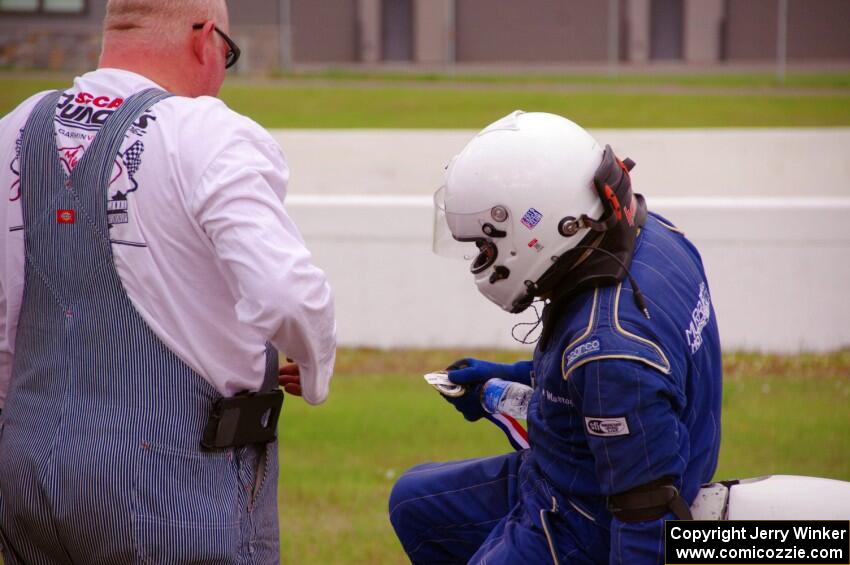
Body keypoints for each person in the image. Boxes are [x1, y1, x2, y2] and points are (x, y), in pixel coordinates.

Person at [0, 0, 335, 562]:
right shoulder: (204, 133)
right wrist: (315, 362)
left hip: (26, 471)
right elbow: (288, 295)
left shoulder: (15, 126)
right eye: (228, 54)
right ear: (206, 38)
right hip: (173, 487)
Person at [389, 111, 722, 564]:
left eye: (485, 247)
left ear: (535, 232)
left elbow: (645, 515)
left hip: (581, 519)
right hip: (572, 473)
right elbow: (603, 392)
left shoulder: (607, 352)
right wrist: (504, 383)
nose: (481, 260)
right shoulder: (652, 236)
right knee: (412, 502)